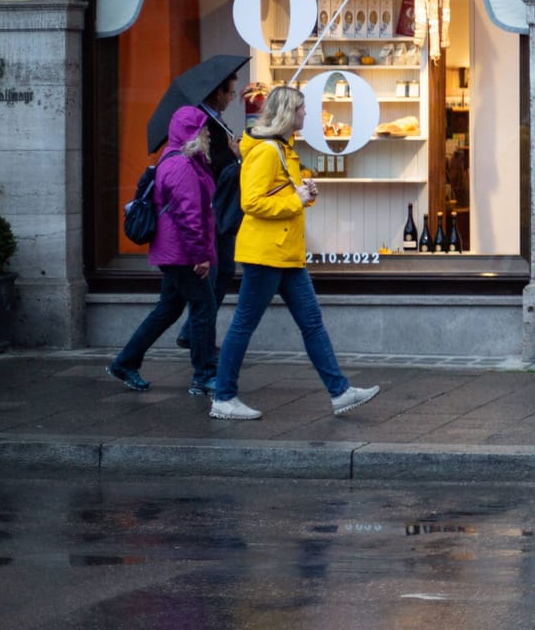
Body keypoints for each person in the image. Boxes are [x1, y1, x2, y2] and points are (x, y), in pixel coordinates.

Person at [207, 86, 379, 420]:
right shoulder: (268, 151)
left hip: (284, 251)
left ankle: (340, 392)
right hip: (266, 253)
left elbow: (278, 192)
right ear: (289, 114)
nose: (306, 115)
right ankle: (224, 397)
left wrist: (304, 192)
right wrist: (295, 199)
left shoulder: (283, 149)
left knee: (312, 323)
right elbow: (252, 202)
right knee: (244, 325)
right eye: (301, 110)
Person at [105, 106, 219, 393]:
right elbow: (189, 216)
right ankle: (204, 375)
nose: (208, 133)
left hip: (174, 252)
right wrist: (200, 256)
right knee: (204, 307)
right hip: (182, 255)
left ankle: (125, 362)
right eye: (203, 129)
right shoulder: (182, 166)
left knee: (168, 309)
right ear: (191, 133)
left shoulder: (178, 160)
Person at [174, 69, 241, 394]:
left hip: (222, 213)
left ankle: (192, 333)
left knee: (224, 272)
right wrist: (237, 155)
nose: (232, 97)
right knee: (210, 284)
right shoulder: (202, 124)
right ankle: (202, 366)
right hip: (213, 213)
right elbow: (211, 165)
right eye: (229, 92)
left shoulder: (217, 121)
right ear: (217, 92)